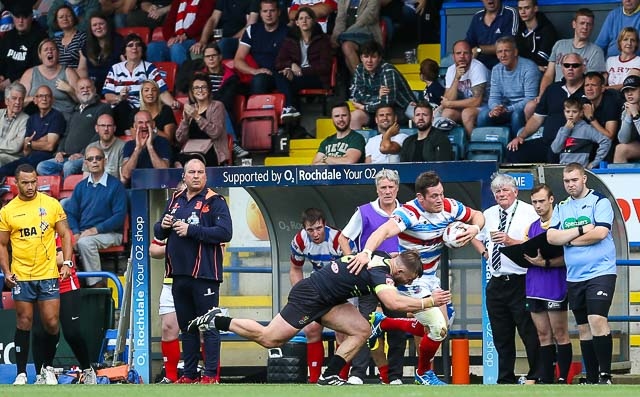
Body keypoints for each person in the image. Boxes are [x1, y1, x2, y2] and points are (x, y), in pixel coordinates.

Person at [189, 250, 452, 386]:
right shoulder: (380, 271)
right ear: (403, 270)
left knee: (361, 330)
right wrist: (428, 302)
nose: (409, 282)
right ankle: (219, 319)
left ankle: (330, 375)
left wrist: (415, 307)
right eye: (411, 278)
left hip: (330, 300)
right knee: (270, 339)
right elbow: (392, 301)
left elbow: (393, 299)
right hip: (311, 296)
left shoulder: (383, 259)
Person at [349, 171, 485, 386]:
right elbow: (383, 232)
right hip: (412, 279)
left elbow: (477, 215)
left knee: (442, 326)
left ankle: (384, 323)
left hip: (431, 277)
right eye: (434, 196)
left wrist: (474, 228)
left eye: (441, 194)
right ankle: (423, 374)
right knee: (436, 327)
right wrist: (366, 252)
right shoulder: (409, 213)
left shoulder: (449, 206)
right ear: (421, 198)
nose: (440, 200)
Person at [153, 158, 233, 384]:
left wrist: (192, 230)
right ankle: (188, 375)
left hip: (205, 274)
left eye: (200, 172)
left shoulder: (214, 200)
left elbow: (225, 232)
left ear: (205, 176)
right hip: (178, 275)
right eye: (191, 172)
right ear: (184, 176)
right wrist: (164, 225)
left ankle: (210, 375)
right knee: (187, 327)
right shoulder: (176, 200)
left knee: (208, 325)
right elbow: (158, 231)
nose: (196, 175)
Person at [0, 163, 73, 385]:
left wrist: (67, 262)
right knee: (24, 321)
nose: (31, 186)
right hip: (22, 275)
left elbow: (66, 234)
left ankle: (47, 368)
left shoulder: (51, 204)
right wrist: (7, 271)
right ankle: (21, 373)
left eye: (34, 182)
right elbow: (2, 245)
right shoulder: (7, 211)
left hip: (49, 273)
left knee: (51, 322)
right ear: (16, 183)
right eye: (25, 183)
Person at [547, 163, 617, 385]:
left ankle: (605, 375)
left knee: (597, 319)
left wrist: (569, 239)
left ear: (584, 178)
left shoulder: (599, 201)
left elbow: (600, 232)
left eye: (574, 180)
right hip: (575, 276)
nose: (570, 185)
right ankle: (592, 377)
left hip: (601, 272)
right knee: (583, 328)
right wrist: (579, 230)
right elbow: (551, 238)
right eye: (567, 181)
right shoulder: (561, 207)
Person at [471, 173, 539, 384]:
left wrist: (511, 241)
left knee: (529, 331)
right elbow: (475, 236)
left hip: (522, 279)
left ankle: (536, 375)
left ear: (515, 192)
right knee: (501, 334)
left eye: (505, 190)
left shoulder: (529, 212)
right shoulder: (488, 214)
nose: (501, 194)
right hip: (497, 280)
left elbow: (536, 243)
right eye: (497, 191)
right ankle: (505, 378)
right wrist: (485, 253)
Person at [338, 169, 405, 385]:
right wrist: (353, 262)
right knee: (363, 325)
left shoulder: (406, 212)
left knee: (397, 327)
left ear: (397, 188)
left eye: (391, 187)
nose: (387, 191)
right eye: (383, 187)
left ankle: (395, 376)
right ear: (377, 189)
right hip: (368, 278)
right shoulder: (364, 211)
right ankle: (358, 373)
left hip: (396, 280)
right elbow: (343, 238)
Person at [289, 208, 348, 383]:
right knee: (311, 328)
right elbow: (295, 268)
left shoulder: (337, 239)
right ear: (304, 229)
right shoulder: (300, 240)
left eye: (319, 228)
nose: (315, 233)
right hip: (319, 287)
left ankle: (340, 377)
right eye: (310, 230)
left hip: (341, 286)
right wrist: (301, 293)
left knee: (342, 332)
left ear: (325, 225)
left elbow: (350, 267)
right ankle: (314, 380)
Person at [522, 184, 571, 384]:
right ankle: (547, 378)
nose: (538, 206)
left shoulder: (562, 224)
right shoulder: (531, 227)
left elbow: (569, 256)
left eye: (541, 201)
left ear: (551, 200)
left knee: (560, 333)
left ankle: (562, 378)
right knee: (543, 334)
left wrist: (547, 262)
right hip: (534, 285)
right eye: (534, 202)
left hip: (555, 285)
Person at [31, 234, 97, 384]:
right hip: (41, 286)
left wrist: (34, 261)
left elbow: (61, 258)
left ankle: (87, 370)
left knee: (71, 332)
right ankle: (42, 373)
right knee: (39, 331)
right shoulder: (32, 229)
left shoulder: (60, 231)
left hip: (65, 284)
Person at [64, 146, 127, 288]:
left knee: (85, 243)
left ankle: (97, 285)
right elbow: (71, 213)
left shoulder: (116, 185)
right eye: (90, 159)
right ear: (85, 163)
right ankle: (69, 287)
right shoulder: (80, 187)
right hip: (83, 234)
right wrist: (75, 233)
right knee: (62, 241)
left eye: (98, 158)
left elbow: (119, 217)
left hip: (110, 233)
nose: (94, 162)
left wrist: (94, 230)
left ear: (105, 161)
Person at [506, 53, 586, 163]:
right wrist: (521, 136)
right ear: (561, 67)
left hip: (576, 145)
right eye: (566, 65)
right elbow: (537, 118)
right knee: (515, 151)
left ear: (583, 67)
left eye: (575, 65)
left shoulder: (589, 89)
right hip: (548, 142)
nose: (570, 68)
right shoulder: (552, 89)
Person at [102, 33, 179, 135]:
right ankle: (127, 132)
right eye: (130, 45)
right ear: (124, 51)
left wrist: (173, 103)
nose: (134, 48)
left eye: (138, 45)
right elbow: (107, 95)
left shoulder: (149, 68)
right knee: (120, 106)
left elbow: (161, 91)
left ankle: (131, 131)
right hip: (121, 110)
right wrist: (120, 97)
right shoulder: (115, 68)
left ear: (142, 50)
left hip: (142, 109)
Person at [36, 78, 111, 178]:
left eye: (88, 87)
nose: (85, 90)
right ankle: (62, 187)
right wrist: (59, 152)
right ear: (76, 92)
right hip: (67, 156)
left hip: (88, 157)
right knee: (42, 167)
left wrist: (83, 154)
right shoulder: (75, 110)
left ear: (95, 89)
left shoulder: (103, 108)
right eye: (82, 88)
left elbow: (101, 134)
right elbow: (66, 134)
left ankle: (71, 191)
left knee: (68, 167)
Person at [477, 36, 540, 138]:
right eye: (499, 52)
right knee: (483, 115)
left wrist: (507, 109)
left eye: (507, 51)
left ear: (515, 52)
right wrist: (495, 108)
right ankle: (483, 150)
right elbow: (493, 97)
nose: (503, 55)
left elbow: (530, 98)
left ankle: (516, 148)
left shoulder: (529, 68)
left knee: (516, 116)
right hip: (505, 109)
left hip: (524, 110)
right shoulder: (496, 69)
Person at [536, 9, 605, 100]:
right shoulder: (559, 45)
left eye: (589, 24)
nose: (585, 27)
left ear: (592, 27)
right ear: (574, 24)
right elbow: (549, 75)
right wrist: (542, 96)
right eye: (582, 23)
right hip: (557, 92)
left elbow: (591, 83)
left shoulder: (596, 51)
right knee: (531, 106)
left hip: (578, 97)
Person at [275, 7, 333, 115]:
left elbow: (325, 67)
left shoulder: (322, 40)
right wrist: (290, 65)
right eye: (301, 18)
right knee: (280, 75)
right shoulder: (290, 40)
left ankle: (291, 108)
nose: (304, 21)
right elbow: (279, 62)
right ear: (296, 22)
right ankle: (291, 109)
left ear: (313, 21)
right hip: (296, 75)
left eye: (307, 18)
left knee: (291, 81)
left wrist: (301, 71)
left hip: (316, 78)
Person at [0, 85, 65, 180]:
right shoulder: (32, 119)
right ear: (35, 100)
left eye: (47, 96)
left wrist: (30, 143)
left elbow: (49, 146)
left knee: (4, 170)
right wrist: (36, 143)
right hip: (29, 157)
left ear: (52, 99)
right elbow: (27, 151)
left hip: (44, 157)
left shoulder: (56, 116)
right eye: (40, 96)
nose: (44, 99)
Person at [349, 41, 416, 129]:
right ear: (361, 58)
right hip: (375, 109)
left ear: (380, 58)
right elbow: (355, 97)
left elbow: (387, 102)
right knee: (354, 117)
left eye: (373, 57)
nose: (369, 61)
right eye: (366, 57)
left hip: (400, 110)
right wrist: (378, 97)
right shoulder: (359, 69)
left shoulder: (388, 70)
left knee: (384, 113)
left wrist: (364, 106)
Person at [233, 0, 289, 100]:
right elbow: (238, 60)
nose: (269, 14)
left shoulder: (288, 31)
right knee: (255, 80)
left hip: (281, 74)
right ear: (260, 13)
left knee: (260, 80)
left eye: (272, 11)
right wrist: (255, 71)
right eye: (265, 11)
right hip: (258, 74)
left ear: (279, 12)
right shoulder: (252, 30)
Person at [175, 74, 231, 167]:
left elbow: (215, 133)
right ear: (192, 92)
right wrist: (185, 120)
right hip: (190, 150)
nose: (200, 90)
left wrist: (197, 117)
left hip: (211, 151)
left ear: (209, 90)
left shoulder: (217, 106)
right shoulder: (190, 108)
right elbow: (180, 138)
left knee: (194, 162)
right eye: (196, 88)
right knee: (176, 161)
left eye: (203, 87)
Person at [438, 40, 489, 137]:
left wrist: (450, 103)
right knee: (447, 113)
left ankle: (474, 146)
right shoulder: (451, 70)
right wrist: (456, 78)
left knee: (467, 113)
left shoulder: (478, 68)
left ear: (471, 54)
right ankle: (450, 146)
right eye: (458, 53)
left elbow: (476, 101)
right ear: (453, 56)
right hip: (464, 106)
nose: (462, 56)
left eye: (465, 53)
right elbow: (447, 99)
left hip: (485, 106)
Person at [20, 38, 79, 121]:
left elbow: (82, 100)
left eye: (53, 49)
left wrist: (70, 90)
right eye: (45, 50)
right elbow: (18, 101)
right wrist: (35, 98)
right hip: (37, 119)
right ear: (40, 55)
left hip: (64, 118)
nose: (49, 51)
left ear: (58, 54)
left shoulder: (68, 72)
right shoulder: (30, 73)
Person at [146, 0, 214, 66]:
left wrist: (185, 35)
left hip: (193, 39)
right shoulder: (177, 1)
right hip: (176, 38)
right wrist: (171, 38)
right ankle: (155, 76)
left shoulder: (207, 1)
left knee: (176, 47)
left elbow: (202, 21)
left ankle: (181, 76)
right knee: (152, 47)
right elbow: (169, 22)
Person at [0, 4, 47, 99]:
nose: (20, 21)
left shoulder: (40, 37)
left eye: (24, 17)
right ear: (13, 17)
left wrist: (11, 80)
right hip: (4, 83)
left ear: (31, 17)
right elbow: (1, 59)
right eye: (17, 17)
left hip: (27, 83)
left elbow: (36, 68)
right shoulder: (8, 36)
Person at [551, 97, 611, 168]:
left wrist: (594, 163)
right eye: (568, 111)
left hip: (580, 169)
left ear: (581, 113)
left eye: (574, 112)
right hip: (564, 169)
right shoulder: (563, 129)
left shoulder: (587, 129)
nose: (570, 115)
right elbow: (555, 149)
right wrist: (566, 130)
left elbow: (606, 141)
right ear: (564, 112)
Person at [190, 0, 259, 60]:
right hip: (219, 36)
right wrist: (203, 41)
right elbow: (213, 19)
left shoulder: (253, 1)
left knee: (223, 44)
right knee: (196, 50)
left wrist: (227, 40)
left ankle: (224, 73)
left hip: (239, 40)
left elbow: (250, 26)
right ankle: (202, 73)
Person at [120, 110, 171, 186]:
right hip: (135, 190)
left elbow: (163, 171)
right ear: (134, 126)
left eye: (147, 122)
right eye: (140, 122)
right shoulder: (129, 145)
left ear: (153, 124)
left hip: (158, 188)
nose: (144, 126)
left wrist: (150, 147)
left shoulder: (163, 142)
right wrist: (137, 149)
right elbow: (126, 175)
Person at [77, 12, 125, 93]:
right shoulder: (87, 44)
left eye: (101, 24)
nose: (98, 27)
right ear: (90, 28)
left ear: (107, 25)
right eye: (94, 25)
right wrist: (86, 84)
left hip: (113, 85)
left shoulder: (118, 41)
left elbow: (126, 64)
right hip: (92, 87)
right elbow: (82, 69)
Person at [465, 0, 519, 70]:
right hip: (478, 67)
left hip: (502, 67)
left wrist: (479, 49)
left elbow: (509, 46)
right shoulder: (477, 16)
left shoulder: (510, 13)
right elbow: (468, 42)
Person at [331, 0, 382, 74]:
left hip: (367, 34)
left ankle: (360, 80)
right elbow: (340, 20)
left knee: (346, 46)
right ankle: (360, 80)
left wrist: (344, 34)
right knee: (346, 46)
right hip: (347, 38)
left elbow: (366, 19)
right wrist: (335, 37)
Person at [581, 71, 622, 162]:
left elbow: (610, 136)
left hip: (611, 147)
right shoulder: (583, 103)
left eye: (593, 85)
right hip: (591, 145)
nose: (589, 88)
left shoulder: (611, 103)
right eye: (587, 85)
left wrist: (591, 118)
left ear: (602, 88)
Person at [515, 0, 557, 73]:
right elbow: (513, 56)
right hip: (521, 71)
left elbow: (542, 59)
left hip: (541, 74)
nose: (523, 12)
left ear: (535, 9)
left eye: (527, 8)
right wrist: (536, 66)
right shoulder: (518, 29)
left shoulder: (547, 30)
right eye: (520, 8)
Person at [85, 113, 126, 179]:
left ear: (114, 128)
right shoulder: (90, 147)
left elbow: (123, 179)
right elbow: (86, 176)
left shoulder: (123, 146)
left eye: (109, 125)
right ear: (96, 128)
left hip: (114, 187)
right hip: (95, 187)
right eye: (103, 126)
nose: (106, 129)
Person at [139, 79, 177, 146]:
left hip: (163, 148)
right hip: (143, 148)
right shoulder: (135, 113)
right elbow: (136, 139)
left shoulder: (166, 110)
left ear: (158, 93)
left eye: (154, 90)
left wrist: (153, 129)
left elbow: (168, 139)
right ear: (141, 93)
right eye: (146, 90)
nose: (150, 93)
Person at [0, 82, 29, 166]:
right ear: (6, 100)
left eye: (21, 99)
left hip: (12, 158)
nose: (18, 102)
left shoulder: (26, 119)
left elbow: (16, 146)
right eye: (14, 98)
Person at [51, 5, 87, 69]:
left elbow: (83, 66)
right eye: (61, 17)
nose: (65, 19)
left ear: (73, 18)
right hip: (58, 76)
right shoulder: (55, 41)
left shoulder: (82, 37)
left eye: (68, 16)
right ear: (57, 21)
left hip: (77, 75)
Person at [614, 74, 640, 163]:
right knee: (620, 149)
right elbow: (623, 139)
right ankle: (619, 177)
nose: (629, 93)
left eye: (633, 89)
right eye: (626, 91)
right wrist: (628, 116)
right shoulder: (628, 107)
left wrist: (636, 116)